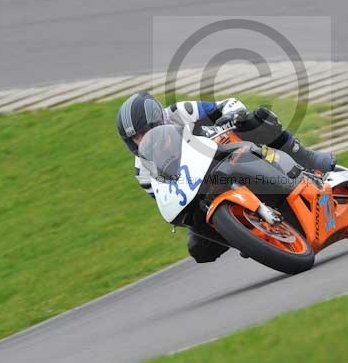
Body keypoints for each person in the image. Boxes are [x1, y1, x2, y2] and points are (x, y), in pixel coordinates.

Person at [116, 91, 336, 263]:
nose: (142, 139)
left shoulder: (180, 112)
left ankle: (306, 158)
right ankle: (251, 235)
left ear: (159, 119)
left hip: (228, 152)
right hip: (202, 191)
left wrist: (232, 115)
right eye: (135, 137)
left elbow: (226, 105)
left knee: (257, 120)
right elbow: (167, 199)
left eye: (145, 131)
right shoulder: (143, 171)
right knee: (199, 250)